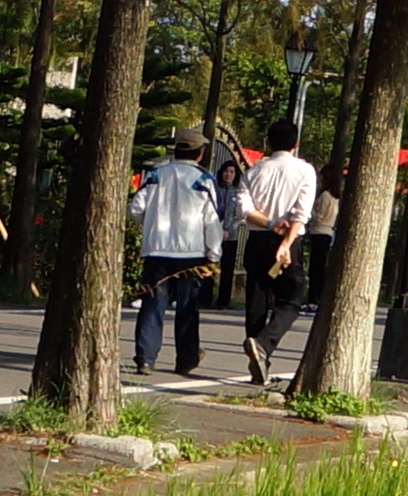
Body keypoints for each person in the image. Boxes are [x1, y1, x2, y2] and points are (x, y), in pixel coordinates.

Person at [231, 119, 318, 385]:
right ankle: (264, 345)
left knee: (256, 299)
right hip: (288, 241)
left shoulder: (254, 171)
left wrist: (269, 224)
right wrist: (286, 243)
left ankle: (259, 362)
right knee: (291, 299)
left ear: (268, 143)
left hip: (258, 238)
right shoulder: (304, 171)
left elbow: (243, 209)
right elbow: (301, 214)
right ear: (296, 143)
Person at [131, 129, 222, 378]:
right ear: (199, 153)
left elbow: (135, 209)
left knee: (152, 305)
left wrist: (150, 227)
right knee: (188, 307)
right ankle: (186, 359)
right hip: (191, 254)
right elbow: (212, 220)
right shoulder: (204, 179)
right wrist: (214, 254)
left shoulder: (156, 174)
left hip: (156, 251)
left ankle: (145, 358)